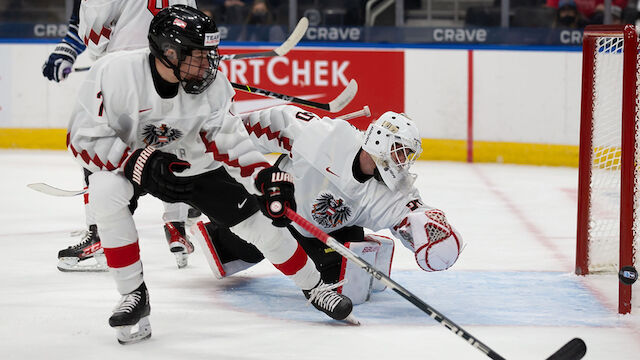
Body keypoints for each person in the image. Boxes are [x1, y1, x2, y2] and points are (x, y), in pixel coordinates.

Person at [66, 5, 353, 344]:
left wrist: (263, 178)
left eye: (210, 54)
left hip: (197, 167)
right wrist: (137, 162)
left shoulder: (212, 85)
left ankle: (314, 286)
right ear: (168, 53)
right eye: (198, 56)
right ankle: (133, 294)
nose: (208, 64)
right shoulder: (114, 73)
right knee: (104, 190)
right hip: (133, 164)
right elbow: (82, 137)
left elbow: (229, 137)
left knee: (259, 226)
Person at [191, 105, 464, 305]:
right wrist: (219, 141)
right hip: (283, 211)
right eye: (401, 151)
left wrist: (431, 231)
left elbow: (413, 214)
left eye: (407, 155)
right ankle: (223, 236)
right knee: (235, 250)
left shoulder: (395, 189)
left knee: (344, 285)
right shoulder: (326, 136)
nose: (403, 162)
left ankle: (363, 247)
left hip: (333, 233)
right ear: (380, 141)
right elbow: (266, 125)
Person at [42, 0, 200, 271]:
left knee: (98, 149)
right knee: (171, 145)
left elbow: (95, 38)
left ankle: (100, 236)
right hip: (170, 72)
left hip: (124, 73)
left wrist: (84, 48)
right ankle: (177, 227)